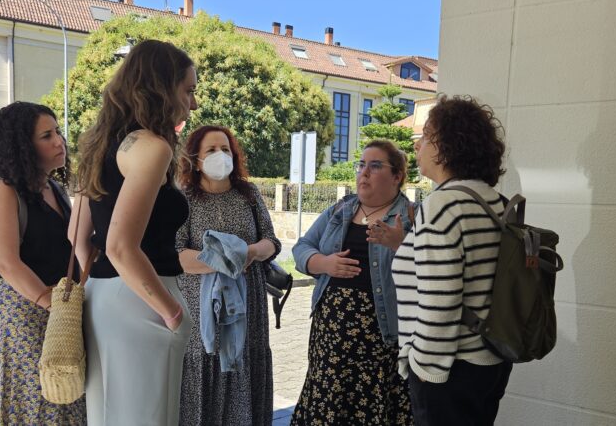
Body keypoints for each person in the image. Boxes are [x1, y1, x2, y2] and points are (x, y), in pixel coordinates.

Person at [69, 39, 197, 425]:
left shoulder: (102, 143)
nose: (193, 103)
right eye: (188, 90)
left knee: (108, 416)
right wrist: (172, 312)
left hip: (104, 297)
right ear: (161, 87)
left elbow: (79, 240)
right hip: (142, 297)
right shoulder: (151, 146)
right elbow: (121, 246)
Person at [393, 95, 512, 425]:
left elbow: (441, 300)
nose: (418, 145)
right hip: (491, 361)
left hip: (448, 372)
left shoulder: (442, 205)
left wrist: (420, 369)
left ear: (448, 146)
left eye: (427, 136)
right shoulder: (496, 202)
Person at [0, 102, 86, 424]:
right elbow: (6, 262)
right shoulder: (2, 189)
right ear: (22, 144)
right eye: (46, 135)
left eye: (58, 132)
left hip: (56, 312)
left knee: (61, 399)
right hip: (19, 314)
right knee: (27, 401)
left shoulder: (54, 188)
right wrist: (50, 303)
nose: (59, 141)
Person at [290, 140, 415, 425]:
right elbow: (301, 248)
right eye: (361, 165)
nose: (364, 173)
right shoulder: (340, 210)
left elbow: (429, 271)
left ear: (397, 176)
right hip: (330, 340)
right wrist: (324, 264)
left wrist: (402, 244)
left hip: (381, 342)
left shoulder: (410, 218)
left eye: (375, 166)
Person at [175, 125, 280, 426]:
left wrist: (249, 253)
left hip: (248, 304)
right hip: (201, 307)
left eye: (225, 149)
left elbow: (272, 242)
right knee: (205, 368)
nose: (220, 155)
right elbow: (177, 254)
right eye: (211, 150)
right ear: (195, 160)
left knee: (244, 363)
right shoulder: (185, 200)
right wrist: (222, 260)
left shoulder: (249, 194)